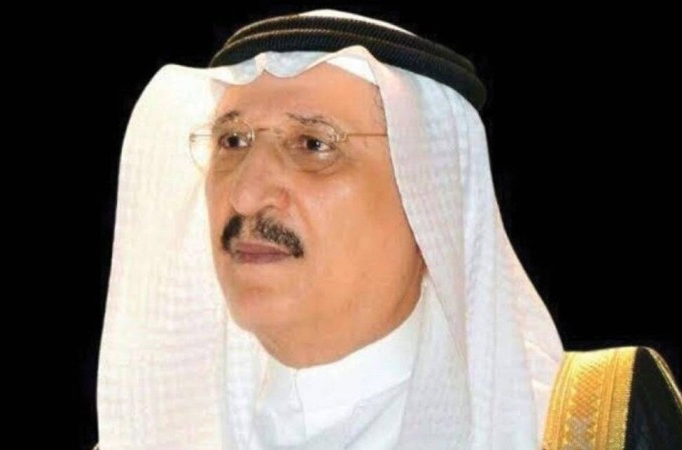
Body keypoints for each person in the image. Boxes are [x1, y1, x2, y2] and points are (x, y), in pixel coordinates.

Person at [93, 9, 681, 449]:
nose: (244, 195)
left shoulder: (589, 426)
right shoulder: (156, 434)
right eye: (232, 141)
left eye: (313, 144)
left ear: (429, 200)